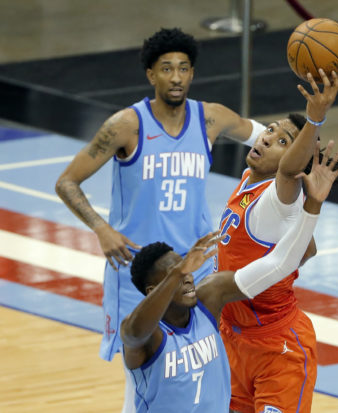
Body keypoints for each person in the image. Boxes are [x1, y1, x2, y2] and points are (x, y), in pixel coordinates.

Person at [54, 27, 266, 410]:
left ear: (192, 73)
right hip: (139, 276)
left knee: (197, 371)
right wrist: (101, 228)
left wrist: (310, 134)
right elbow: (67, 182)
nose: (176, 77)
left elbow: (268, 138)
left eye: (183, 68)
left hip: (195, 272)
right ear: (151, 74)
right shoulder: (126, 125)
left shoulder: (210, 118)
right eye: (167, 69)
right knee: (143, 381)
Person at [121, 141, 338, 413]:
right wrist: (178, 273)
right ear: (153, 290)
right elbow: (133, 331)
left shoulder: (208, 301)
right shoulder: (146, 336)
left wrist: (313, 205)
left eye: (185, 269)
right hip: (239, 345)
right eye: (175, 274)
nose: (188, 277)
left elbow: (282, 262)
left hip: (276, 341)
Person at [216, 68, 338, 413]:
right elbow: (309, 248)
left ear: (298, 165)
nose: (268, 139)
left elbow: (286, 171)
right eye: (270, 130)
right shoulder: (251, 178)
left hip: (276, 346)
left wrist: (315, 118)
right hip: (233, 335)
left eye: (284, 142)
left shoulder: (277, 196)